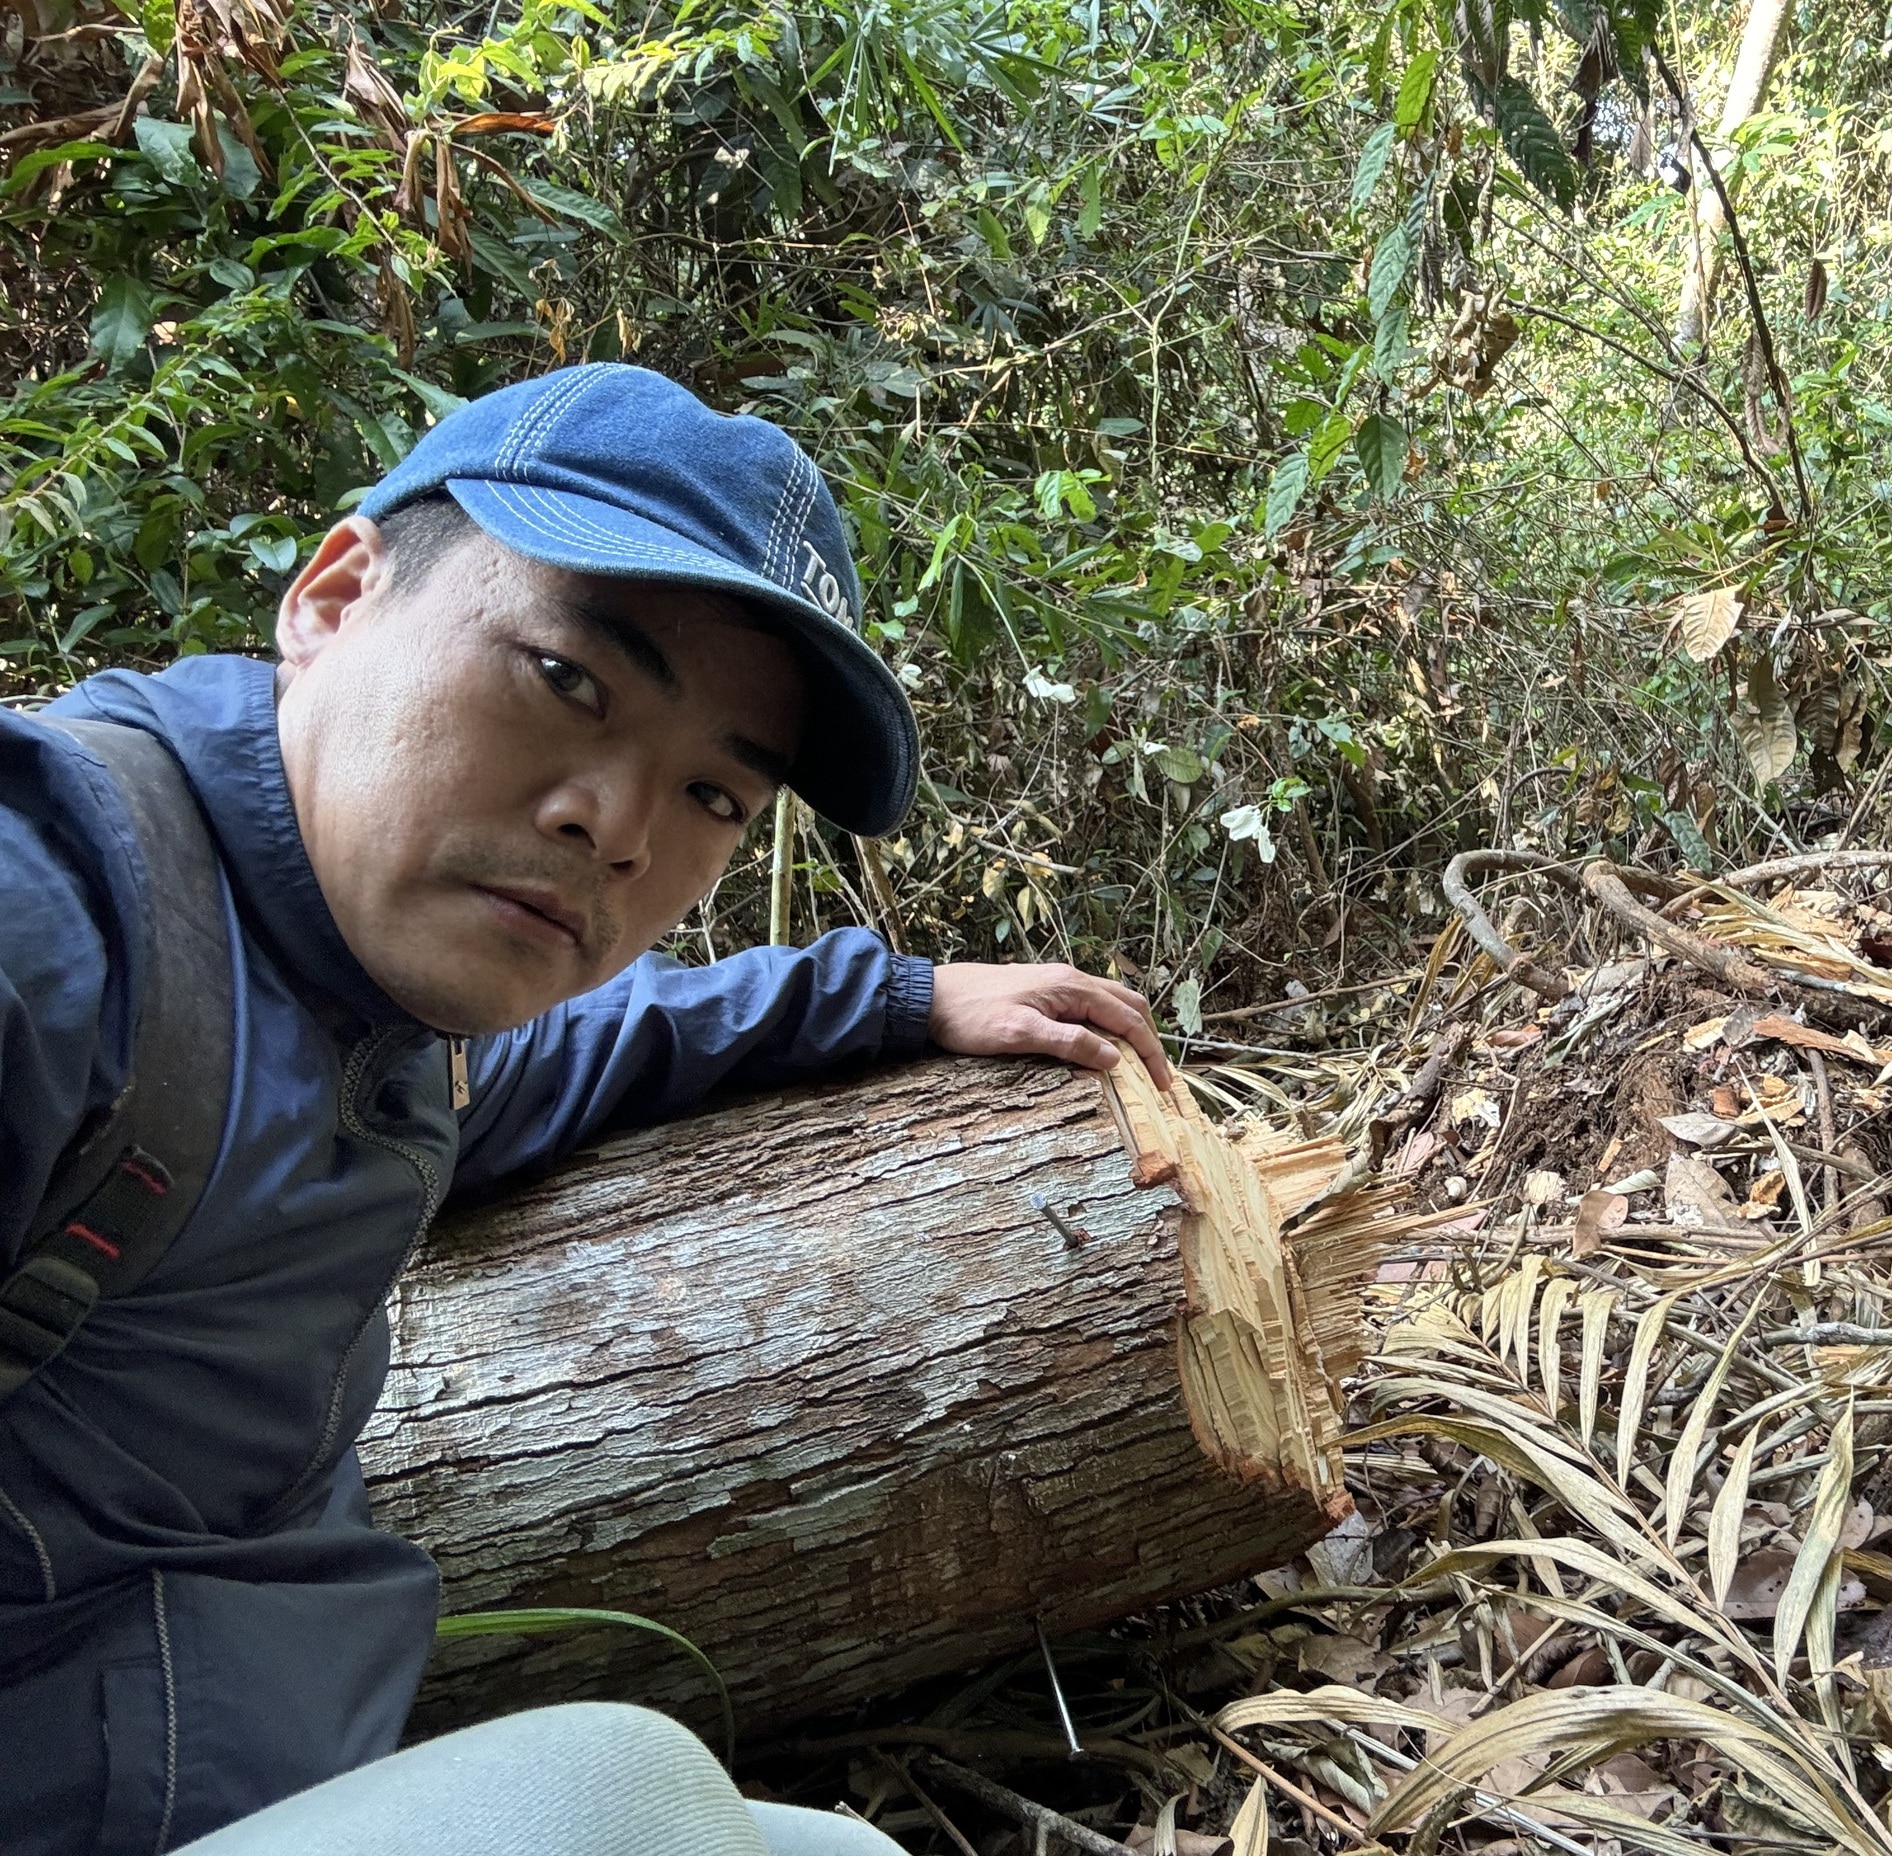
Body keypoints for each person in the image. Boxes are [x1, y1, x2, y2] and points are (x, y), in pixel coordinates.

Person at [0, 364, 1173, 1856]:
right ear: (336, 597)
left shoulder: (387, 1009)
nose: (614, 828)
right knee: (617, 1797)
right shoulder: (53, 932)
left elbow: (591, 1042)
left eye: (713, 798)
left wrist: (899, 998)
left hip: (254, 1764)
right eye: (568, 682)